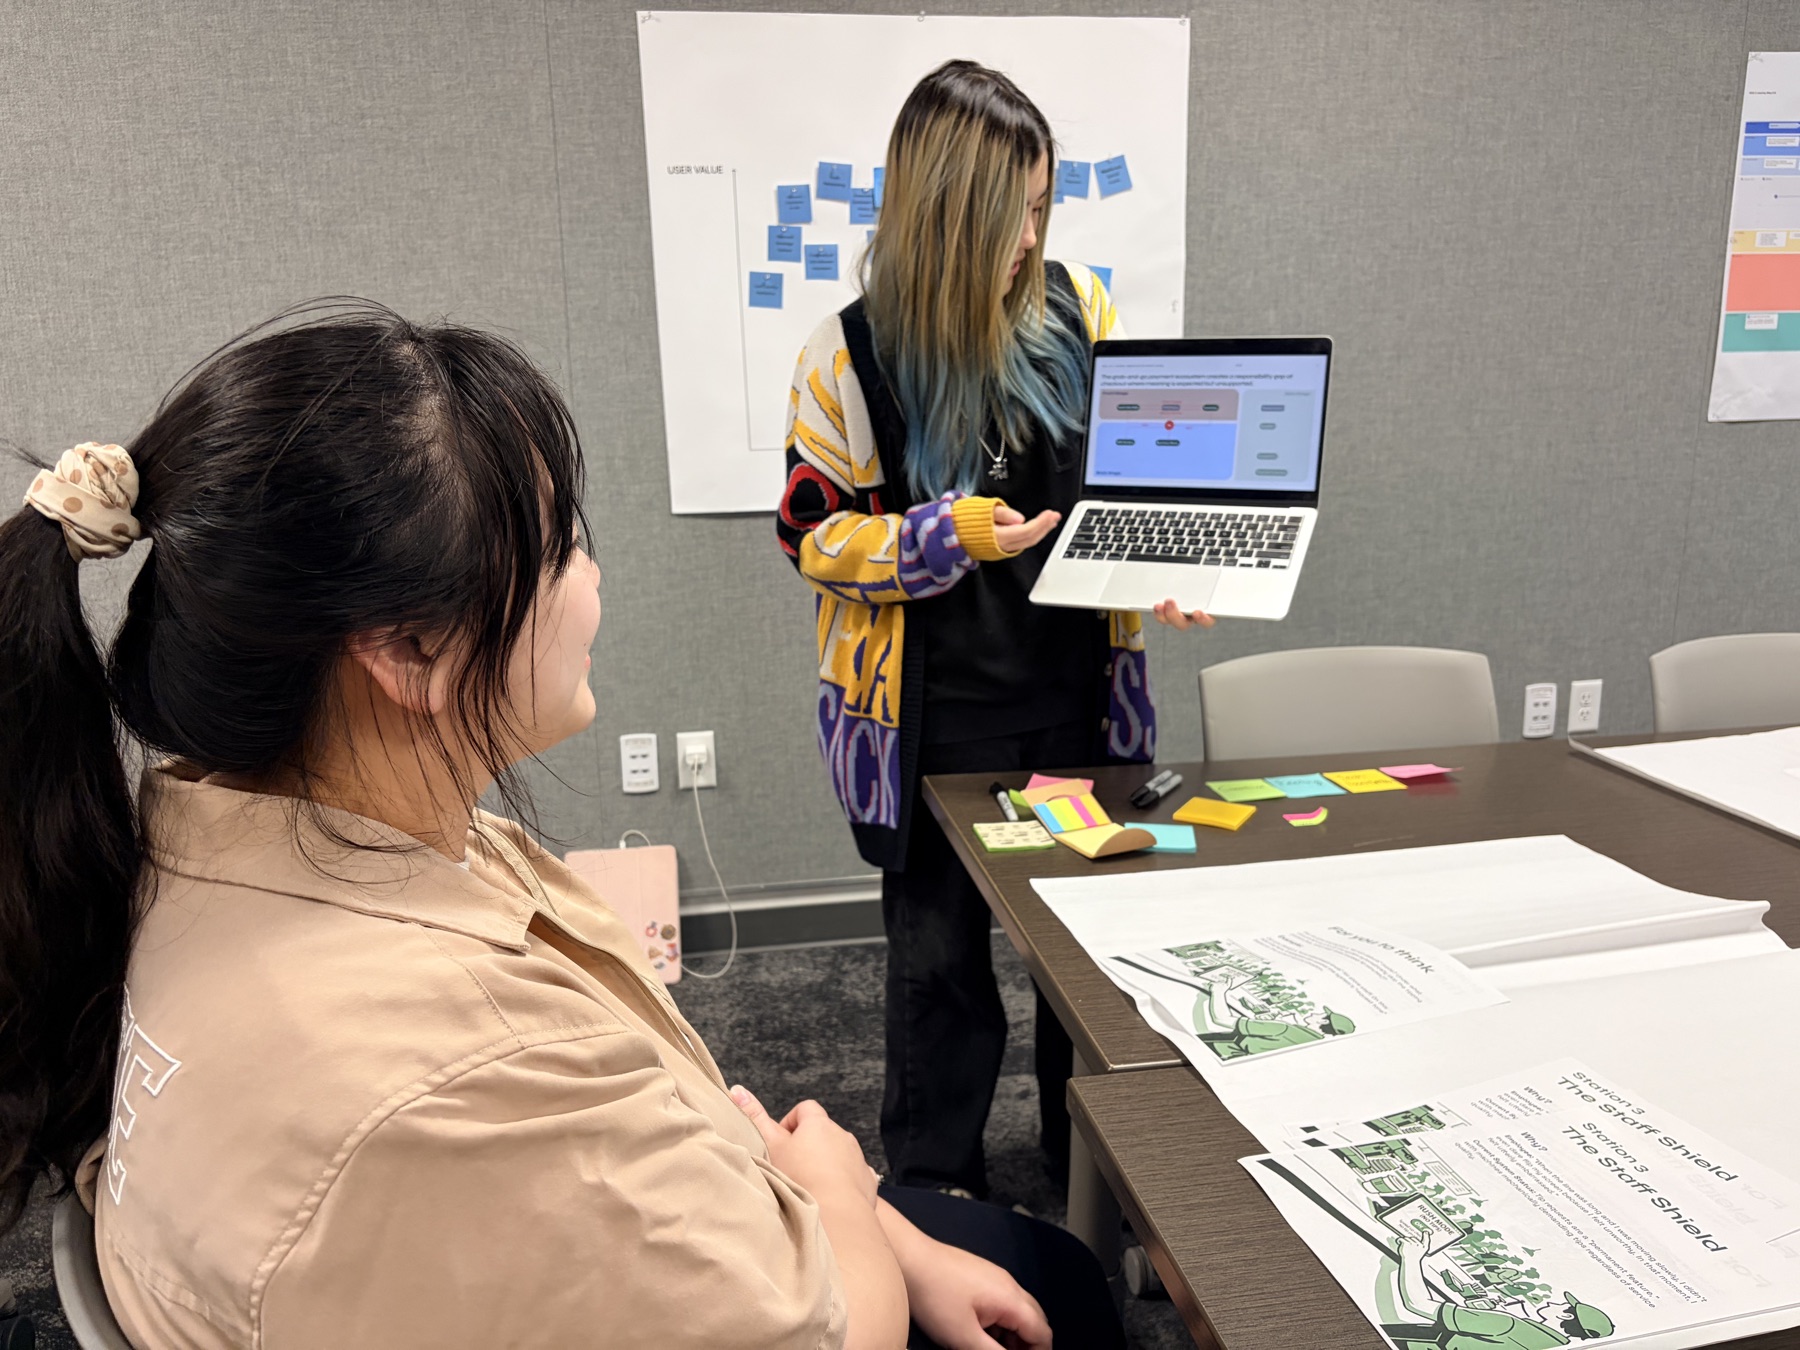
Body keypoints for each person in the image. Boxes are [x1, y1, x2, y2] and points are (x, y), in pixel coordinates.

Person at [0, 302, 1125, 1348]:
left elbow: (663, 1116)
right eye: (561, 546)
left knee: (1020, 1257)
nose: (593, 576)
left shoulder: (214, 831)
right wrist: (838, 1186)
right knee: (1061, 1287)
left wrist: (891, 1233)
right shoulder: (468, 1074)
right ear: (408, 650)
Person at [776, 59, 1211, 1202]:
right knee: (939, 974)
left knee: (1087, 963)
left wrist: (1159, 569)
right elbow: (812, 539)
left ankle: (1092, 1172)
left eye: (1041, 206)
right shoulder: (848, 353)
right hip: (932, 723)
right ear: (944, 211)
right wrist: (938, 537)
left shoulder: (1079, 309)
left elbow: (1126, 490)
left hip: (1077, 699)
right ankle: (936, 1188)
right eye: (1010, 211)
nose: (1029, 237)